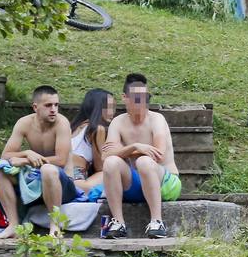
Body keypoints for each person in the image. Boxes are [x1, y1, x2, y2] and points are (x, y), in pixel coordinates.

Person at [100, 73, 181, 239]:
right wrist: (135, 146)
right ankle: (118, 222)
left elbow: (157, 153)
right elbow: (106, 155)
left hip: (166, 183)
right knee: (111, 163)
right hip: (137, 183)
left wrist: (125, 150)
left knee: (145, 161)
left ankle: (157, 221)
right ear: (125, 98)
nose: (142, 102)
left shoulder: (156, 119)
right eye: (137, 97)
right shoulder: (118, 122)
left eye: (145, 97)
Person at [0, 85, 73, 238]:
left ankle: (55, 226)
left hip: (62, 182)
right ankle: (13, 225)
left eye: (56, 105)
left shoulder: (62, 123)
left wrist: (23, 161)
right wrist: (27, 153)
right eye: (48, 105)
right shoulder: (24, 123)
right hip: (34, 177)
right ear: (35, 107)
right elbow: (5, 156)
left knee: (48, 169)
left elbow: (61, 160)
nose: (54, 109)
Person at [67, 88, 115, 194]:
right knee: (110, 171)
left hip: (61, 172)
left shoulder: (73, 126)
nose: (113, 112)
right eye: (109, 107)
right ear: (98, 107)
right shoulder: (97, 129)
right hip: (76, 176)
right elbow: (100, 167)